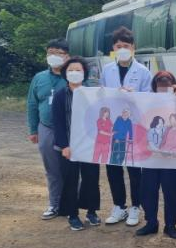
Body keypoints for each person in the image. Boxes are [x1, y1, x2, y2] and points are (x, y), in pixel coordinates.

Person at [100, 27, 152, 227]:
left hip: (134, 126)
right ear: (113, 48)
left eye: (126, 46)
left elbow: (149, 99)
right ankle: (119, 206)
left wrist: (133, 96)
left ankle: (135, 207)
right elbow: (102, 95)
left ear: (133, 47)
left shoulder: (143, 71)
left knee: (134, 169)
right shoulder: (107, 70)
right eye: (118, 46)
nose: (122, 49)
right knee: (113, 167)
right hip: (114, 127)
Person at [51, 57, 101, 231]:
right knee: (70, 180)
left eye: (78, 70)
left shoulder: (92, 93)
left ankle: (91, 212)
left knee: (91, 179)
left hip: (89, 145)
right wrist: (64, 146)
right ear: (65, 73)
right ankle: (72, 215)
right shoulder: (60, 95)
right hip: (68, 147)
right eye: (70, 70)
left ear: (84, 73)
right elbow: (57, 123)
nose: (74, 73)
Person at [136, 71, 176, 238]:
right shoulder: (147, 101)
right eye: (160, 84)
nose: (163, 88)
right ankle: (151, 223)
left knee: (171, 193)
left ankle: (170, 225)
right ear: (154, 86)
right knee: (148, 191)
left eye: (167, 84)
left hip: (171, 158)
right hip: (151, 157)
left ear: (173, 85)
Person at [26, 38, 69, 220]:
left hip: (70, 130)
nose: (54, 56)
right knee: (52, 169)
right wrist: (33, 130)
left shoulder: (73, 76)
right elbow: (32, 104)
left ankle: (71, 205)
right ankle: (54, 204)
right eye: (50, 53)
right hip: (46, 128)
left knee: (71, 169)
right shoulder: (39, 78)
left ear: (67, 56)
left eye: (59, 53)